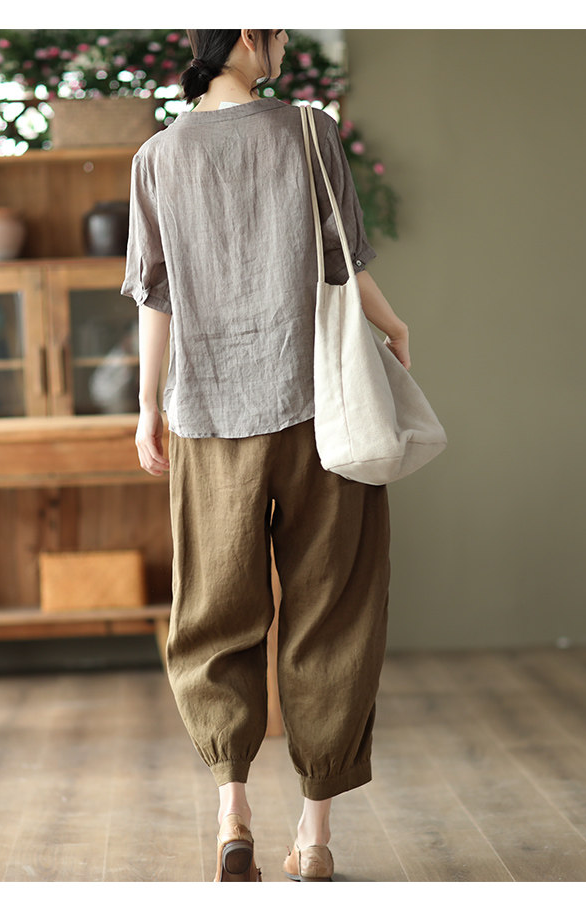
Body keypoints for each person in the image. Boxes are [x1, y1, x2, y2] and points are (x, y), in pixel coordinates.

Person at [122, 29, 411, 883]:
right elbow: (343, 262)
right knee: (334, 611)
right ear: (250, 34)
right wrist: (393, 325)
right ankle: (314, 838)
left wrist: (146, 406)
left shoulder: (156, 158)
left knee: (214, 614)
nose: (281, 44)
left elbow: (154, 296)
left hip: (209, 415)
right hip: (324, 413)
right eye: (279, 31)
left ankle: (232, 816)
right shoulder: (309, 131)